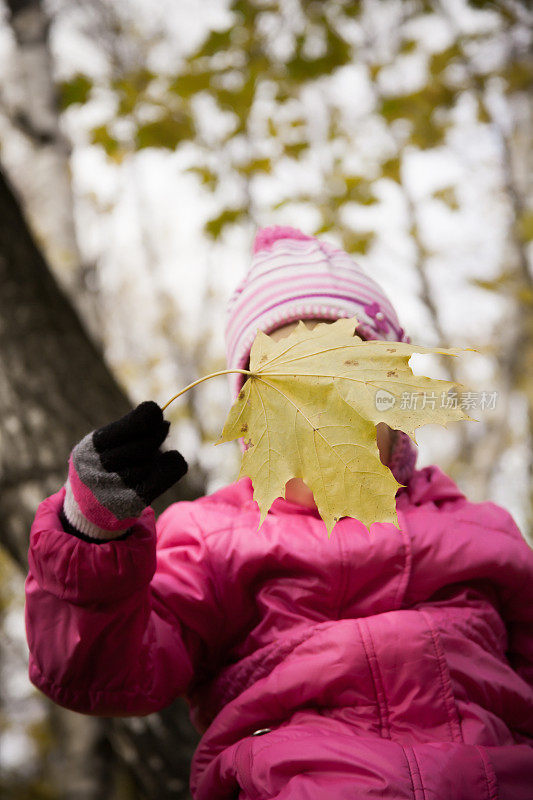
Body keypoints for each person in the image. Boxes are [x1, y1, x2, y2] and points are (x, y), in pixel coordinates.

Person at [25, 226, 533, 799]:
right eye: (286, 392)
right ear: (250, 424)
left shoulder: (480, 531)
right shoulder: (215, 537)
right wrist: (90, 537)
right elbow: (105, 670)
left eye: (346, 381)